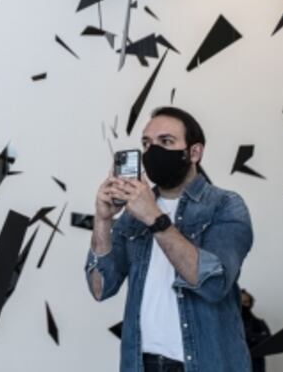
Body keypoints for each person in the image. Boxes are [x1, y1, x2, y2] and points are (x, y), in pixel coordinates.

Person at [85, 106, 254, 371]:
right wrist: (103, 220)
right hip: (141, 363)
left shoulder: (225, 205)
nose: (153, 151)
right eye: (146, 143)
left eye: (166, 141)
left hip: (204, 364)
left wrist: (155, 217)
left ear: (194, 152)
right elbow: (100, 288)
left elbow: (214, 284)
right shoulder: (131, 215)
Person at [241, 288, 271, 372]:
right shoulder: (228, 325)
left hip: (256, 365)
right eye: (240, 302)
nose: (242, 305)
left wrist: (250, 337)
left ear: (250, 303)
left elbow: (268, 342)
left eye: (245, 302)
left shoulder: (259, 323)